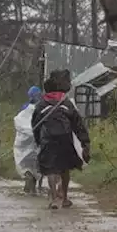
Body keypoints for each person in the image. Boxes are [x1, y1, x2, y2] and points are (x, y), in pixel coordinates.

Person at [32, 70, 90, 210]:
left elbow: (35, 125)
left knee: (51, 169)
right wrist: (85, 142)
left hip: (48, 138)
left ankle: (53, 198)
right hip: (65, 137)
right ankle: (64, 198)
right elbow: (78, 124)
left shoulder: (41, 104)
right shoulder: (66, 102)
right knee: (64, 168)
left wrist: (39, 141)